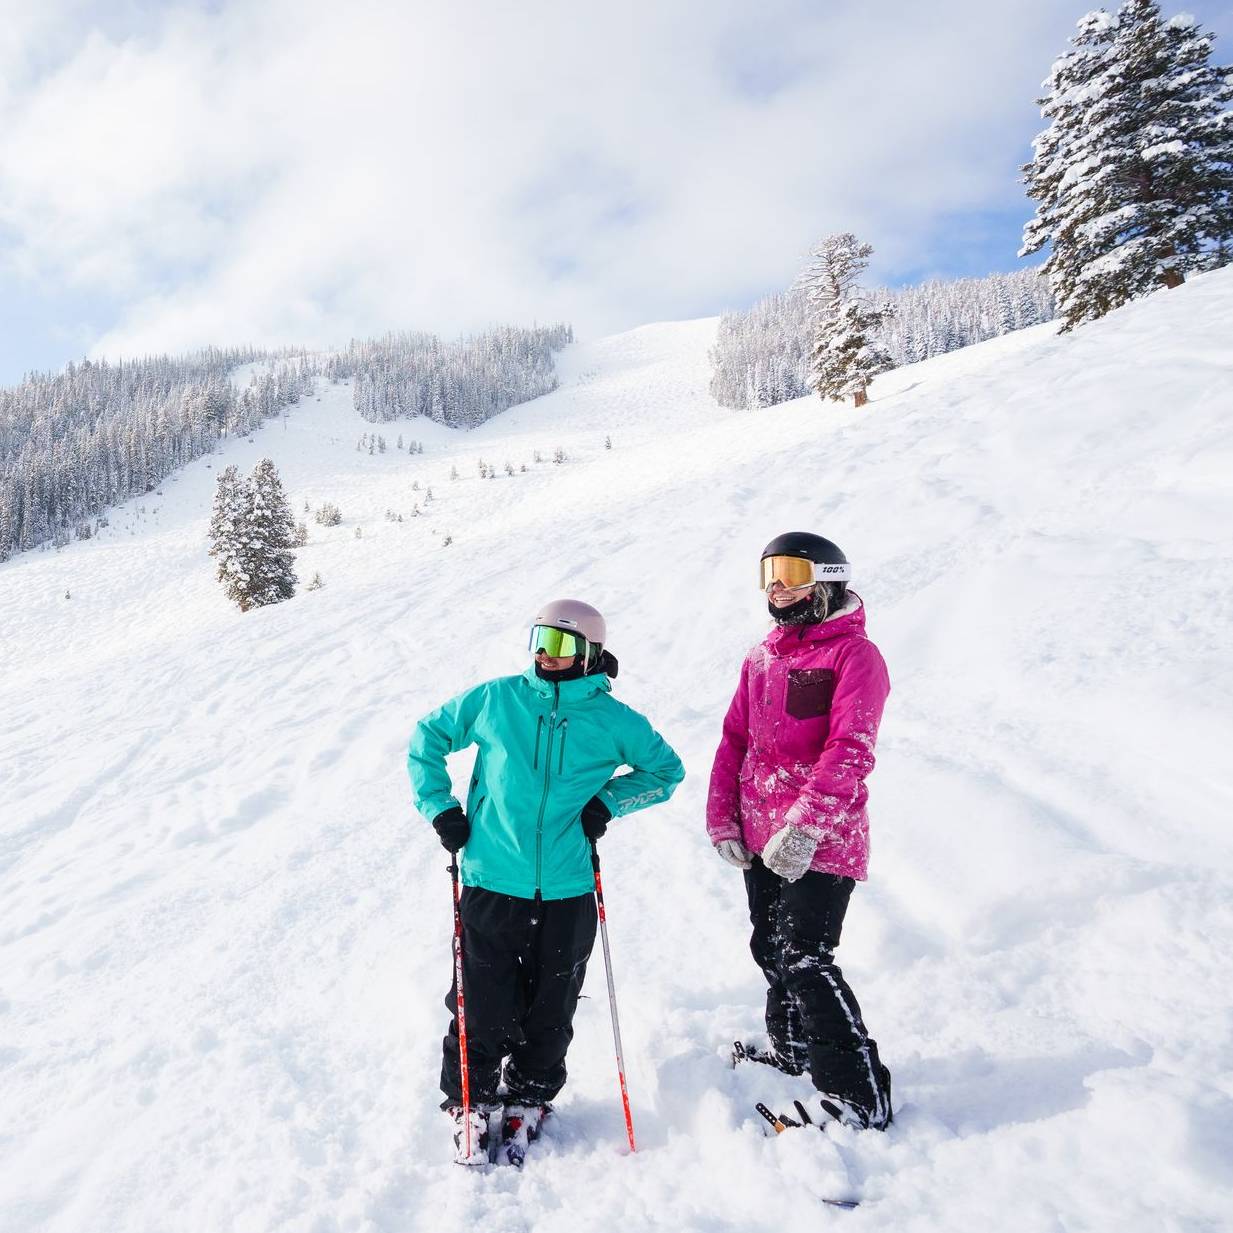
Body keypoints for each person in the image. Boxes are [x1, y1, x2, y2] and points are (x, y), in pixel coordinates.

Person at [408, 598, 684, 1164]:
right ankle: (469, 1097)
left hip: (567, 887)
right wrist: (441, 807)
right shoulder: (497, 698)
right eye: (539, 639)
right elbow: (428, 739)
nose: (544, 653)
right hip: (490, 877)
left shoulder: (614, 720)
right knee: (480, 998)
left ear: (588, 651)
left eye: (559, 644)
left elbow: (666, 772)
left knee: (552, 1001)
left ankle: (532, 1094)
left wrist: (608, 803)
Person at [707, 533, 893, 1131]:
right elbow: (736, 740)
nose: (778, 586)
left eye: (791, 572)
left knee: (805, 957)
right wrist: (722, 818)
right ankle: (793, 1053)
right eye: (769, 575)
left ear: (829, 578)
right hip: (762, 837)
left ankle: (860, 1096)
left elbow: (851, 748)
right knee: (771, 949)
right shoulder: (762, 658)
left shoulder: (855, 657)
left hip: (823, 839)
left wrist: (807, 825)